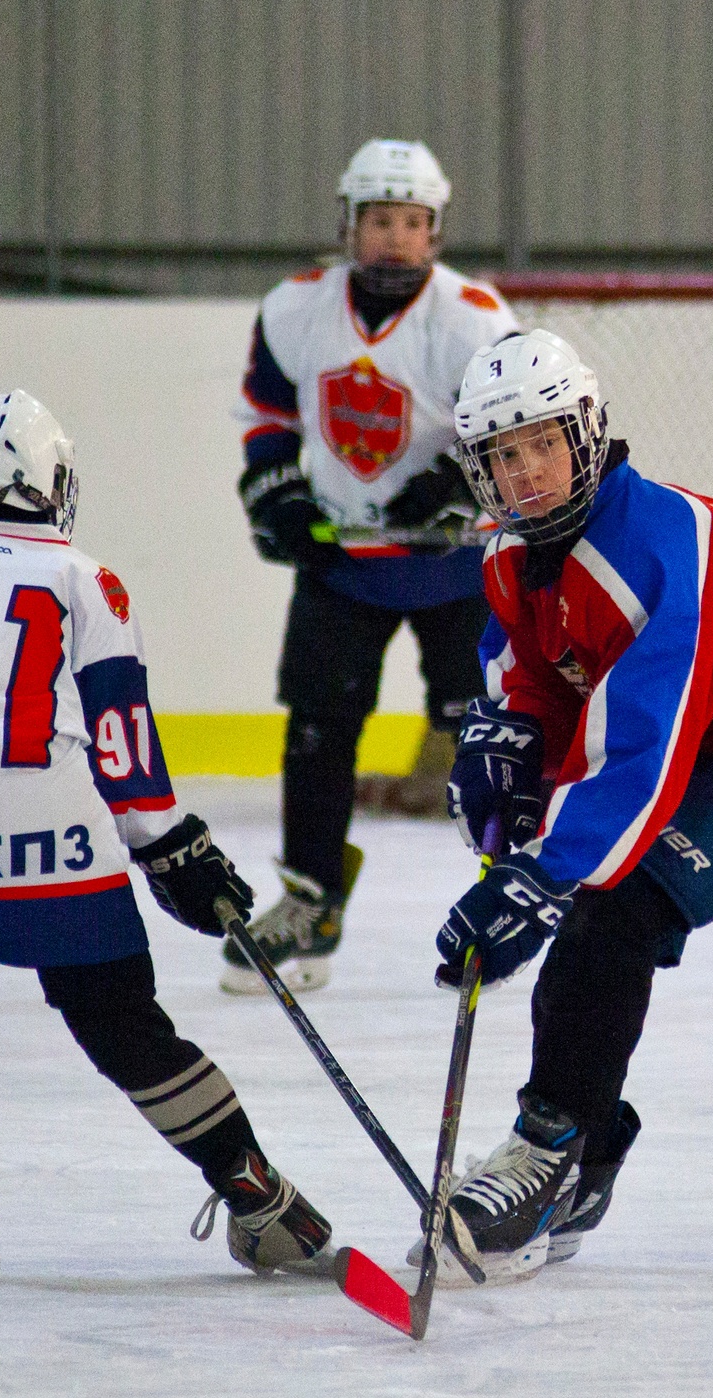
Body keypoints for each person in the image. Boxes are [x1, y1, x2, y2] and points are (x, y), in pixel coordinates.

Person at [422, 330, 713, 1282]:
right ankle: (579, 1152)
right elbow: (530, 685)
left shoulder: (661, 544)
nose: (527, 475)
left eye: (543, 444)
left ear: (588, 432)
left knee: (617, 902)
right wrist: (506, 769)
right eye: (503, 455)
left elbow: (643, 745)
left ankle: (550, 1152)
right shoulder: (512, 558)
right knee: (590, 908)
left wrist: (541, 873)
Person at [0, 390, 333, 1280]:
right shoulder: (83, 579)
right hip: (53, 853)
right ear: (47, 482)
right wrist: (172, 850)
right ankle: (261, 1195)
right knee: (122, 1024)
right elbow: (122, 741)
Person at [227, 137, 522, 993]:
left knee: (492, 735)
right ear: (349, 224)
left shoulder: (472, 315)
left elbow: (508, 421)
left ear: (436, 232)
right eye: (380, 220)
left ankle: (505, 897)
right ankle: (310, 903)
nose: (396, 237)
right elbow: (265, 416)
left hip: (457, 569)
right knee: (317, 729)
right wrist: (277, 494)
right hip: (342, 563)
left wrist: (454, 478)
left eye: (413, 223)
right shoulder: (294, 307)